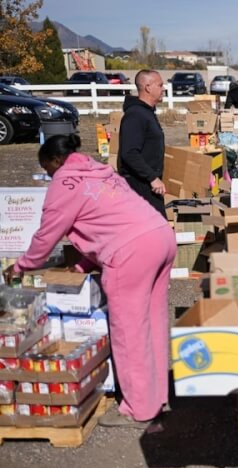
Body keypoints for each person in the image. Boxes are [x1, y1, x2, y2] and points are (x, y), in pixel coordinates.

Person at [5, 135, 176, 429]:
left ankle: (140, 408)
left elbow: (47, 235)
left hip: (131, 252)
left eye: (47, 170)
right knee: (153, 322)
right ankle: (157, 395)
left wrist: (21, 266)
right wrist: (84, 263)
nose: (49, 176)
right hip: (160, 236)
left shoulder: (64, 183)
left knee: (129, 332)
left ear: (56, 162)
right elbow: (106, 220)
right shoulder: (100, 171)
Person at [118, 69, 167, 218]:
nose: (163, 89)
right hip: (140, 185)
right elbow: (129, 152)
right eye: (160, 85)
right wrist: (152, 178)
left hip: (149, 185)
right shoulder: (136, 115)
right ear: (147, 87)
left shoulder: (147, 113)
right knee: (156, 232)